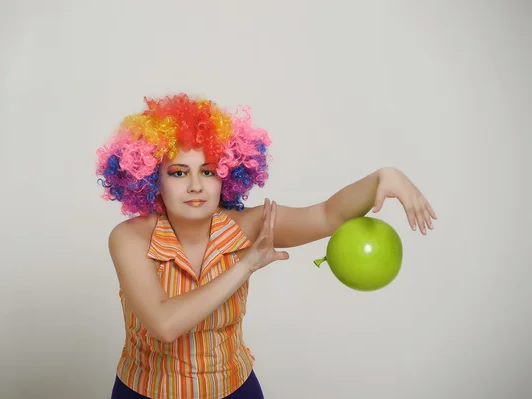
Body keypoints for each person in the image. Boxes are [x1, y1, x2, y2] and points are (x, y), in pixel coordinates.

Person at [95, 93, 436, 399]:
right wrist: (246, 264)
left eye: (210, 172)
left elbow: (329, 215)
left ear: (227, 176)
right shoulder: (131, 237)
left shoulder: (247, 225)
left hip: (234, 390)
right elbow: (164, 324)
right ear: (153, 179)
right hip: (148, 392)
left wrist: (384, 177)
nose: (196, 186)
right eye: (180, 173)